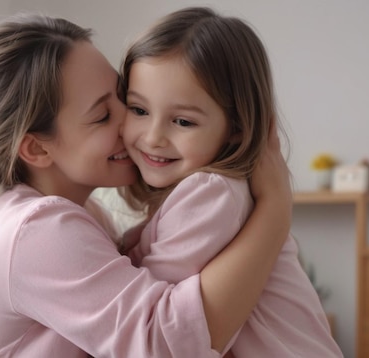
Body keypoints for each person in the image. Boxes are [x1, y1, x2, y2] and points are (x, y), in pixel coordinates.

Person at [0, 12, 292, 357]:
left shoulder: (82, 215)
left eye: (125, 98)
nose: (132, 124)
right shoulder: (38, 230)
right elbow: (163, 347)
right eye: (103, 115)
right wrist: (274, 210)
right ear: (36, 148)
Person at [120, 7, 343, 357]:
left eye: (182, 121)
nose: (153, 137)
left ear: (236, 128)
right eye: (138, 110)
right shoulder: (198, 189)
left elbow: (149, 308)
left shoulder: (211, 193)